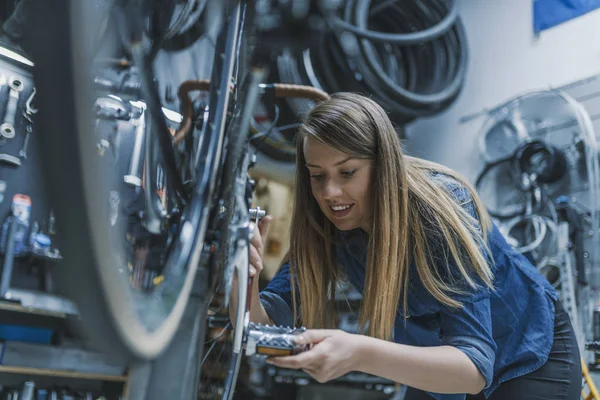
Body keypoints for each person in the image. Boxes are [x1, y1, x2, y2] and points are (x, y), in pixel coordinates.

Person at [235, 92, 581, 400]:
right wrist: (245, 274)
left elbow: (474, 368)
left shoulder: (439, 209)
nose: (329, 193)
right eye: (318, 175)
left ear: (382, 164)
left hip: (529, 354)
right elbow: (267, 324)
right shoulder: (325, 225)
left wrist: (358, 352)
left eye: (347, 172)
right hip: (444, 359)